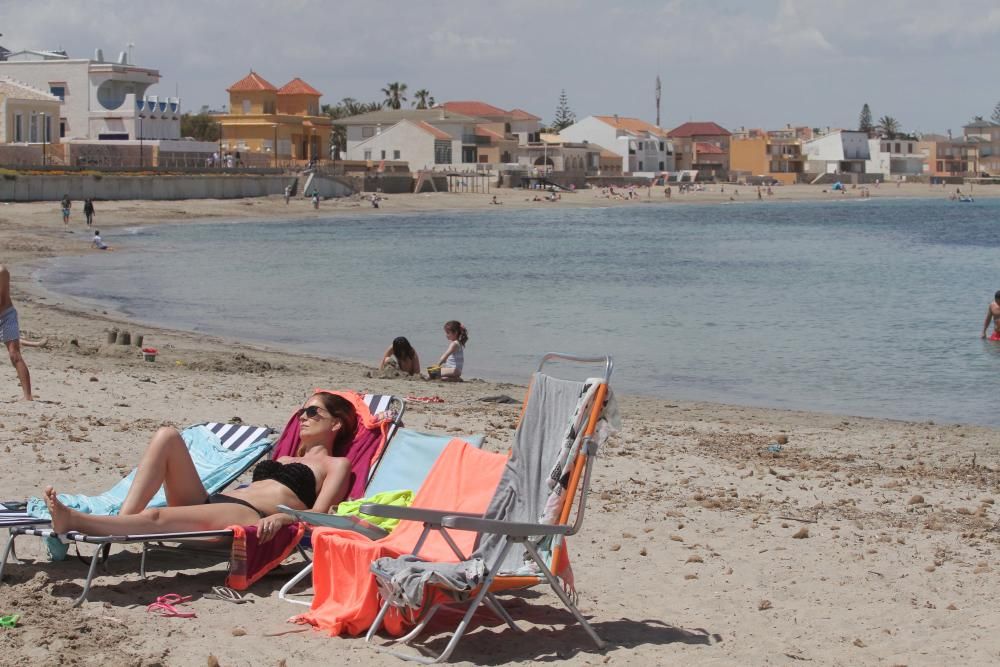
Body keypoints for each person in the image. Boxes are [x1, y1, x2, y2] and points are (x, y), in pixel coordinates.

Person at [43, 393, 357, 541]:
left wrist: (282, 516)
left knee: (156, 515)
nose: (303, 417)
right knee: (167, 436)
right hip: (219, 501)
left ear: (336, 424)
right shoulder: (286, 457)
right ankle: (123, 525)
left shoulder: (336, 465)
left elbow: (320, 517)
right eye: (302, 411)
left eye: (313, 412)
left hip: (248, 516)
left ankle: (75, 520)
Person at [1, 265, 37, 400]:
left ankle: (27, 396)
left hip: (5, 316)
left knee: (14, 354)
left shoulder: (1, 271)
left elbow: (2, 300)